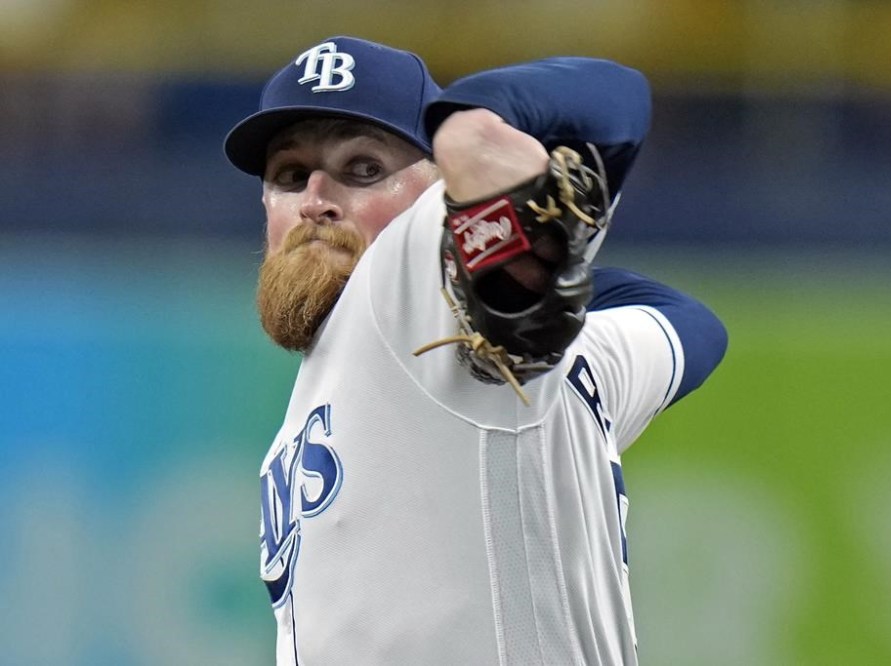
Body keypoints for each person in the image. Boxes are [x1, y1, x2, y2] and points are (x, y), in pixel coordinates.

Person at [224, 35, 727, 665]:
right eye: (290, 175)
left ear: (444, 195)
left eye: (364, 170)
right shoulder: (537, 367)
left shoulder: (402, 283)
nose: (317, 200)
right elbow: (695, 325)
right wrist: (546, 282)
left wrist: (472, 122)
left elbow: (614, 95)